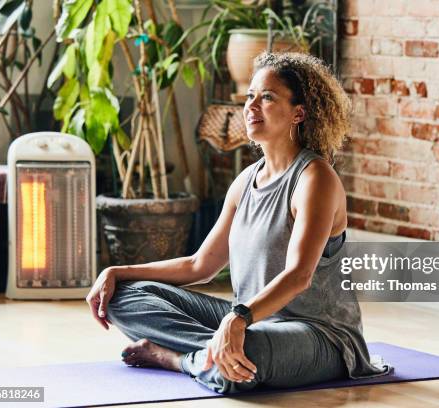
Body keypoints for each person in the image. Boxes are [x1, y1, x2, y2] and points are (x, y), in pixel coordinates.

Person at [86, 52, 392, 394]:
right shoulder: (246, 181)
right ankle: (217, 354)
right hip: (250, 321)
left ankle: (176, 358)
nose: (251, 107)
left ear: (299, 113)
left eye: (267, 98)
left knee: (248, 354)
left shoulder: (315, 178)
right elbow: (200, 266)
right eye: (250, 97)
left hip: (320, 336)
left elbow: (299, 275)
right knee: (121, 297)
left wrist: (239, 318)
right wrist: (117, 272)